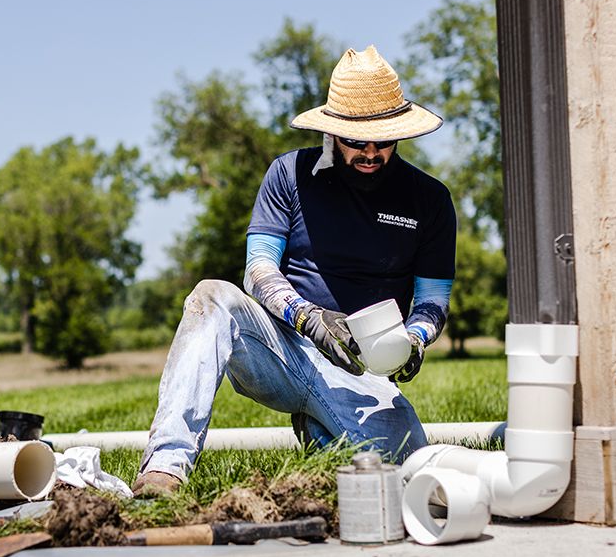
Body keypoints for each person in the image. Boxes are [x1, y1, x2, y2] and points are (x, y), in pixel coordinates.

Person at [132, 46, 456, 497]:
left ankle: (322, 430)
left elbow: (433, 300)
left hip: (361, 370)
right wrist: (308, 318)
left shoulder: (430, 199)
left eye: (382, 140)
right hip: (280, 346)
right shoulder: (289, 174)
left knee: (408, 467)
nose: (370, 152)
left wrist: (415, 340)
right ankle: (164, 467)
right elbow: (258, 269)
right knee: (212, 296)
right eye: (356, 141)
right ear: (333, 132)